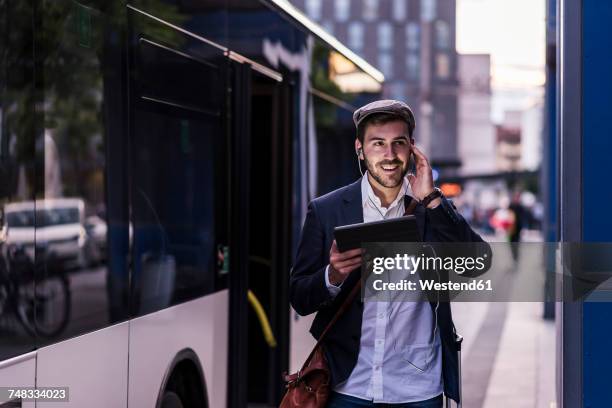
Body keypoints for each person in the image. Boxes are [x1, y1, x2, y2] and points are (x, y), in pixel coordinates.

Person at [289, 100, 487, 407]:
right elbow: (299, 297)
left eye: (399, 143)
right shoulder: (327, 210)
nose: (390, 155)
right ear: (360, 148)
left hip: (419, 390)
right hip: (348, 387)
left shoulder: (430, 210)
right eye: (378, 144)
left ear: (412, 149)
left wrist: (433, 198)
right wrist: (333, 275)